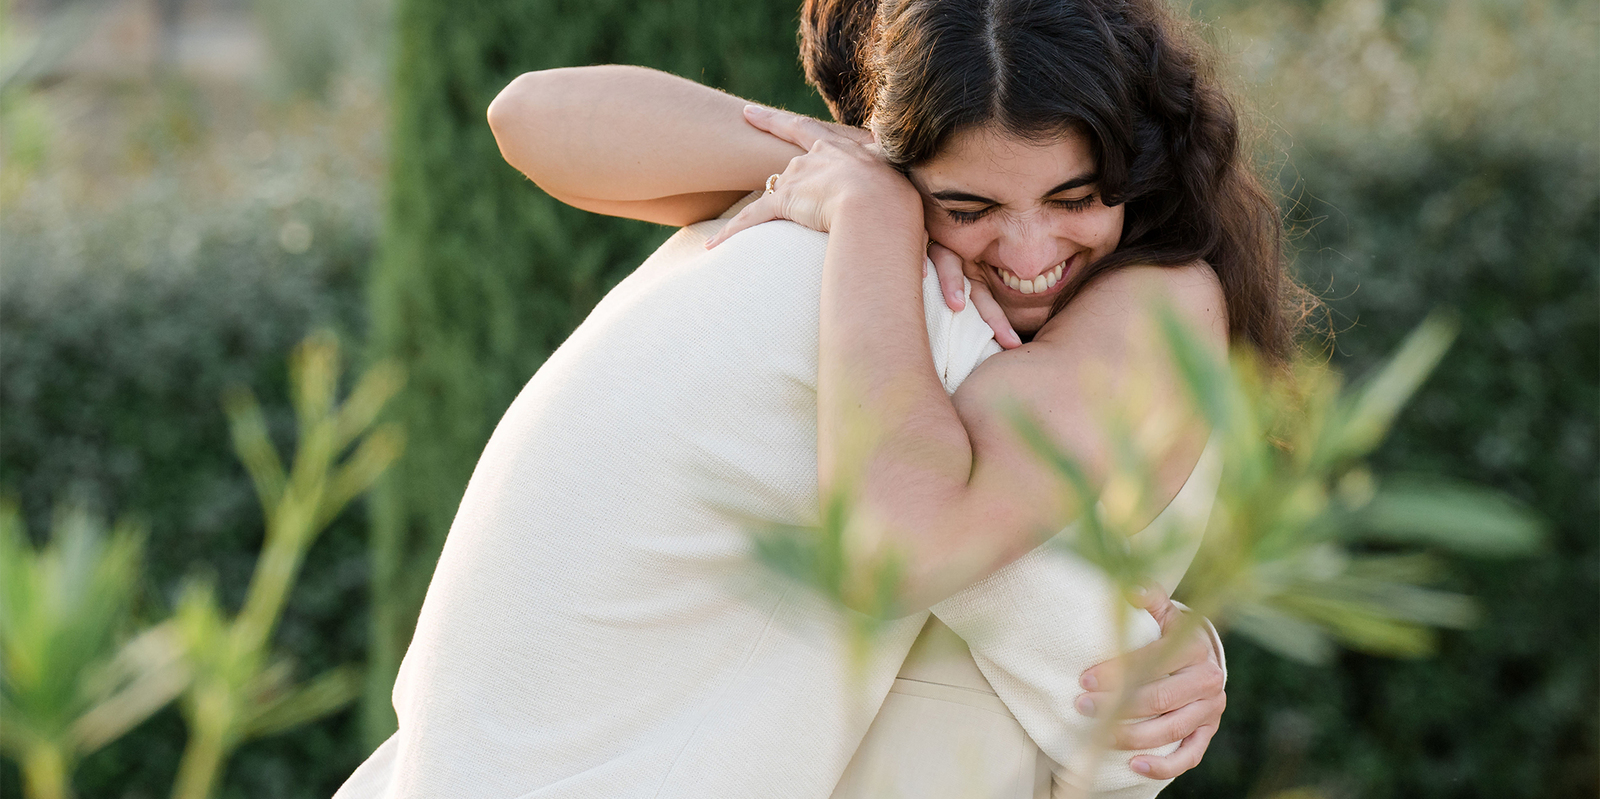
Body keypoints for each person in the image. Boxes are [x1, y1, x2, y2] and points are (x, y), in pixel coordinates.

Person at [337, 0, 1304, 795]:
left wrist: (873, 205)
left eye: (1076, 198)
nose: (1027, 253)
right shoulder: (880, 270)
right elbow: (527, 114)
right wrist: (848, 176)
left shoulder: (1133, 300)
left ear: (1141, 169)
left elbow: (948, 556)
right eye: (968, 207)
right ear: (904, 164)